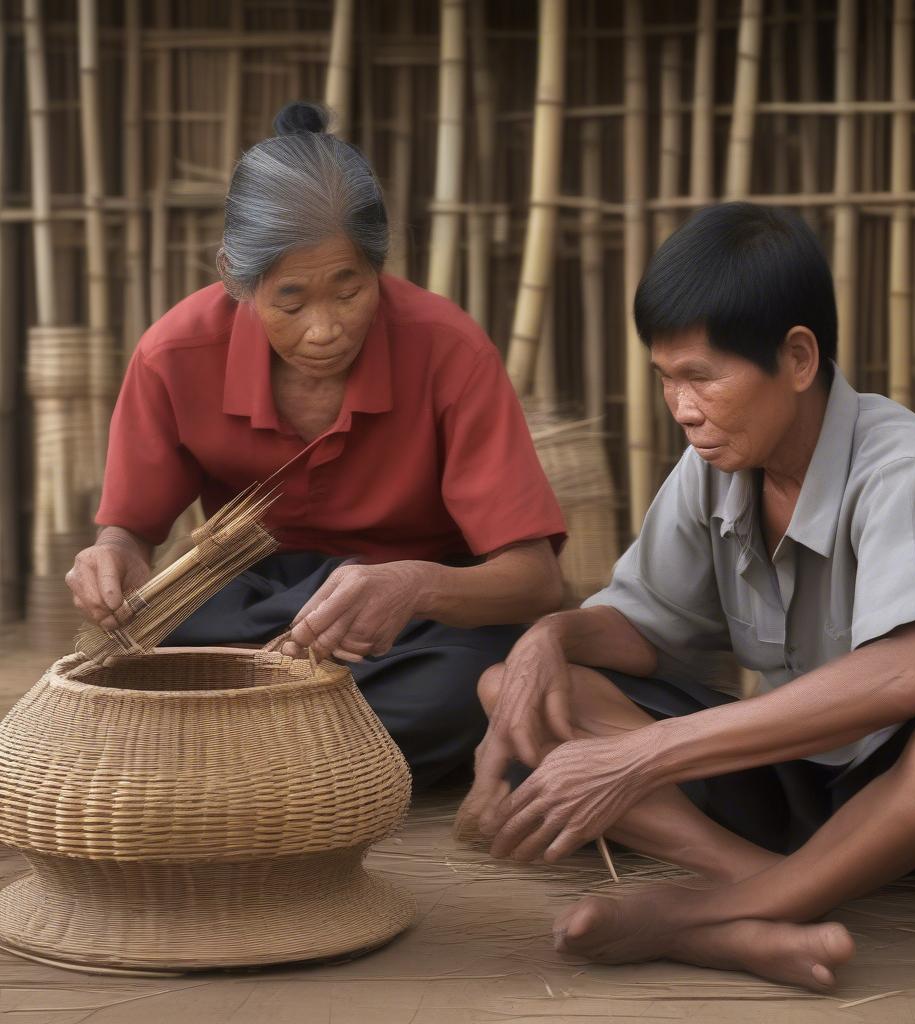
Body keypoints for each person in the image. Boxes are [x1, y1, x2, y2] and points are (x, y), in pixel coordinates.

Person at [461, 202, 915, 991]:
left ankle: (687, 917)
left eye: (702, 377)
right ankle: (759, 902)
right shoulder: (714, 466)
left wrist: (642, 754)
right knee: (509, 686)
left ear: (797, 359)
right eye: (665, 379)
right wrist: (544, 640)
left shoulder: (905, 466)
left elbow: (907, 676)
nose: (683, 410)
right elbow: (642, 630)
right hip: (792, 777)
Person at [65, 101, 566, 788]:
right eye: (292, 302)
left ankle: (213, 751)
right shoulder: (174, 354)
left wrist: (412, 586)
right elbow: (128, 534)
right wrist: (111, 559)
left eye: (350, 289)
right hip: (249, 610)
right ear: (235, 277)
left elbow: (536, 581)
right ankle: (313, 759)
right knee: (140, 656)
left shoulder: (448, 350)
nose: (325, 329)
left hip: (407, 626)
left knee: (465, 688)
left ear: (380, 266)